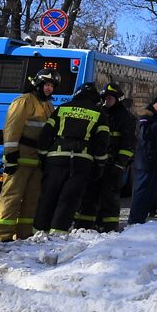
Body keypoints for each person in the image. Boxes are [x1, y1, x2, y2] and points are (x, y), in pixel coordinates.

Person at [34, 83, 109, 233]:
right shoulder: (99, 113)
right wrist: (100, 165)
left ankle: (38, 232)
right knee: (69, 198)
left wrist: (42, 156)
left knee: (49, 195)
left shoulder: (62, 108)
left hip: (56, 158)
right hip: (81, 161)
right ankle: (58, 233)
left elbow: (46, 134)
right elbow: (102, 143)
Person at [0, 68, 56, 241]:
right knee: (11, 197)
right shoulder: (23, 102)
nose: (49, 89)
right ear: (38, 84)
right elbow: (12, 130)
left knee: (32, 200)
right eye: (47, 84)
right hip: (19, 159)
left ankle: (24, 234)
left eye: (52, 86)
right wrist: (11, 156)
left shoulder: (48, 105)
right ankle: (3, 236)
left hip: (37, 161)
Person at [75, 82, 135, 232]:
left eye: (110, 98)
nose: (106, 101)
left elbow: (128, 144)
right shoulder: (99, 112)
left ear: (117, 99)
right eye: (105, 98)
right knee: (89, 195)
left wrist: (120, 164)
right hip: (96, 163)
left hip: (113, 164)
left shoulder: (125, 117)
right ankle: (84, 226)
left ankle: (109, 227)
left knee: (110, 197)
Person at [128, 93, 157, 224]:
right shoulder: (146, 117)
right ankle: (134, 221)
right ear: (154, 104)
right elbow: (145, 135)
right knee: (140, 193)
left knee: (151, 194)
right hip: (145, 162)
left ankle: (142, 220)